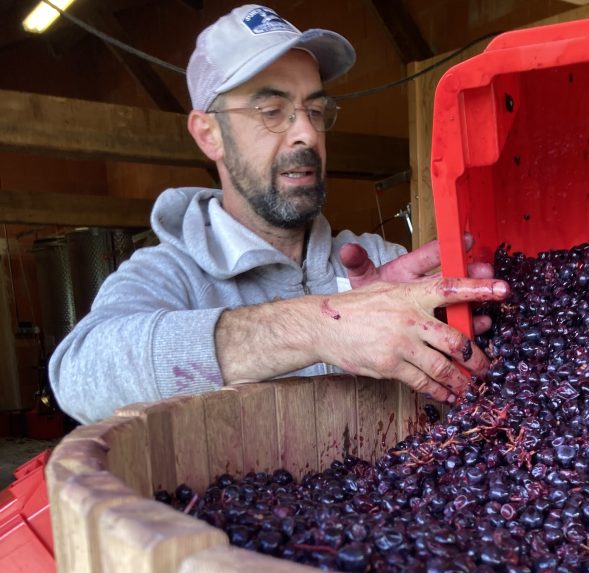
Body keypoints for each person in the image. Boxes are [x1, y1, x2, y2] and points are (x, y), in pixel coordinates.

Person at [49, 5, 510, 425]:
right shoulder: (169, 274)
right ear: (209, 134)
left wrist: (451, 330)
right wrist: (321, 324)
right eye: (272, 111)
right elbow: (79, 376)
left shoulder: (379, 261)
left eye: (316, 109)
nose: (306, 133)